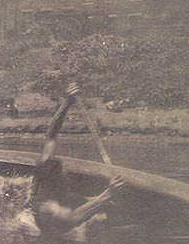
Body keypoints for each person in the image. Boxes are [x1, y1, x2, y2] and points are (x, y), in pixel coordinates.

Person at [29, 83, 125, 235]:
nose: (65, 175)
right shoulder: (50, 209)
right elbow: (74, 218)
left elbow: (51, 135)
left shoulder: (46, 169)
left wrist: (67, 103)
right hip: (57, 235)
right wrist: (109, 193)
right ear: (55, 181)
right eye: (62, 174)